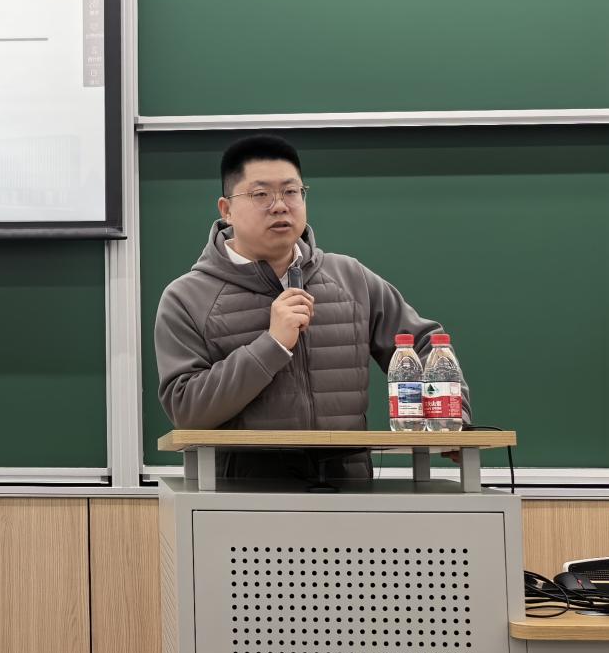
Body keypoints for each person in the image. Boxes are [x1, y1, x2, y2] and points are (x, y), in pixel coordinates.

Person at [153, 135, 469, 481]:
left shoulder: (350, 278)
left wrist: (454, 418)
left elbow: (426, 343)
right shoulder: (187, 298)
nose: (280, 206)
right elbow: (186, 410)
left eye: (291, 191)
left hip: (349, 492)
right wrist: (272, 345)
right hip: (242, 496)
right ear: (226, 210)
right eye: (261, 195)